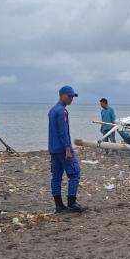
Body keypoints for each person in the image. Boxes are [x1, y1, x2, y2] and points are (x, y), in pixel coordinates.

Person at [48, 85, 86, 213]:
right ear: (61, 95)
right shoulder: (62, 111)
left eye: (72, 96)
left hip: (53, 148)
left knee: (56, 176)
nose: (71, 99)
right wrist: (68, 149)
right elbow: (63, 132)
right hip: (62, 149)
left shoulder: (52, 110)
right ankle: (71, 203)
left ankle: (59, 205)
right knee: (74, 173)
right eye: (69, 96)